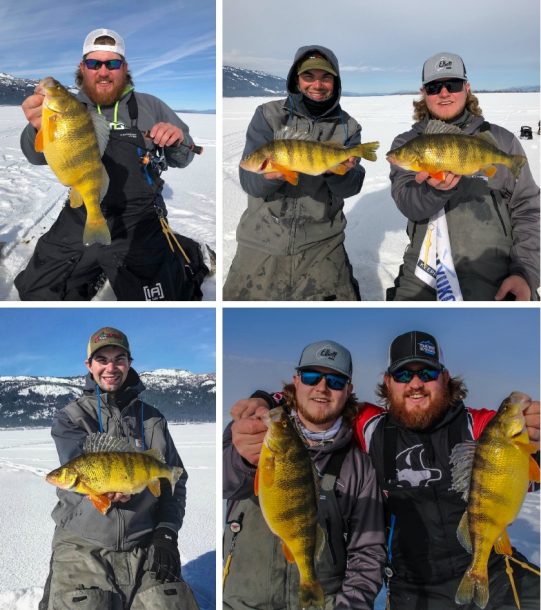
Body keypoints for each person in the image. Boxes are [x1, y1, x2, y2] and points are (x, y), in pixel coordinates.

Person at [353, 330, 541, 607]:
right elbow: (317, 407)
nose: (415, 383)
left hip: (495, 569)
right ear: (388, 382)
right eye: (404, 374)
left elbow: (529, 475)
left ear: (445, 377)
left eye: (427, 373)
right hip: (414, 588)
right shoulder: (370, 429)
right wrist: (267, 402)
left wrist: (537, 437)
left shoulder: (479, 426)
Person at [17, 29, 203, 301]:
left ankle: (191, 252)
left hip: (138, 217)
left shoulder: (151, 105)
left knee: (166, 297)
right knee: (37, 292)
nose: (103, 71)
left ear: (124, 68)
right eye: (94, 63)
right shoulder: (67, 105)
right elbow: (35, 156)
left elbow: (184, 158)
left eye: (112, 63)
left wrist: (177, 140)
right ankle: (97, 264)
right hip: (79, 213)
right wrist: (37, 128)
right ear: (83, 68)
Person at [39, 327, 196, 609]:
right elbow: (87, 469)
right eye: (102, 359)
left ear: (129, 363)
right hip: (83, 545)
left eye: (119, 359)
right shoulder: (71, 418)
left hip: (145, 541)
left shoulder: (153, 420)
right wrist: (104, 494)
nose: (111, 367)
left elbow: (176, 480)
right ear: (89, 365)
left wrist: (166, 533)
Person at [222, 340, 386, 609]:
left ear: (348, 390)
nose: (322, 387)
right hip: (241, 601)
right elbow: (223, 483)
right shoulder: (250, 430)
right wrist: (243, 461)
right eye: (312, 376)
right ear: (296, 381)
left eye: (335, 381)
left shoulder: (359, 465)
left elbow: (368, 551)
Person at [387, 52, 540, 301]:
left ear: (467, 88)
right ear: (424, 93)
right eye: (435, 87)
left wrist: (525, 273)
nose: (444, 93)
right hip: (423, 273)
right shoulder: (408, 143)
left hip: (494, 271)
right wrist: (434, 190)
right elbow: (407, 202)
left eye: (453, 85)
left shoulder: (501, 141)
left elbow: (528, 210)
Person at [224, 46, 367, 300]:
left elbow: (352, 186)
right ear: (296, 79)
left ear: (335, 82)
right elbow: (250, 181)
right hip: (262, 239)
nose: (317, 85)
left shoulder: (348, 127)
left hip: (323, 243)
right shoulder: (268, 115)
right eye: (308, 77)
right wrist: (267, 178)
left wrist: (336, 172)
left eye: (325, 78)